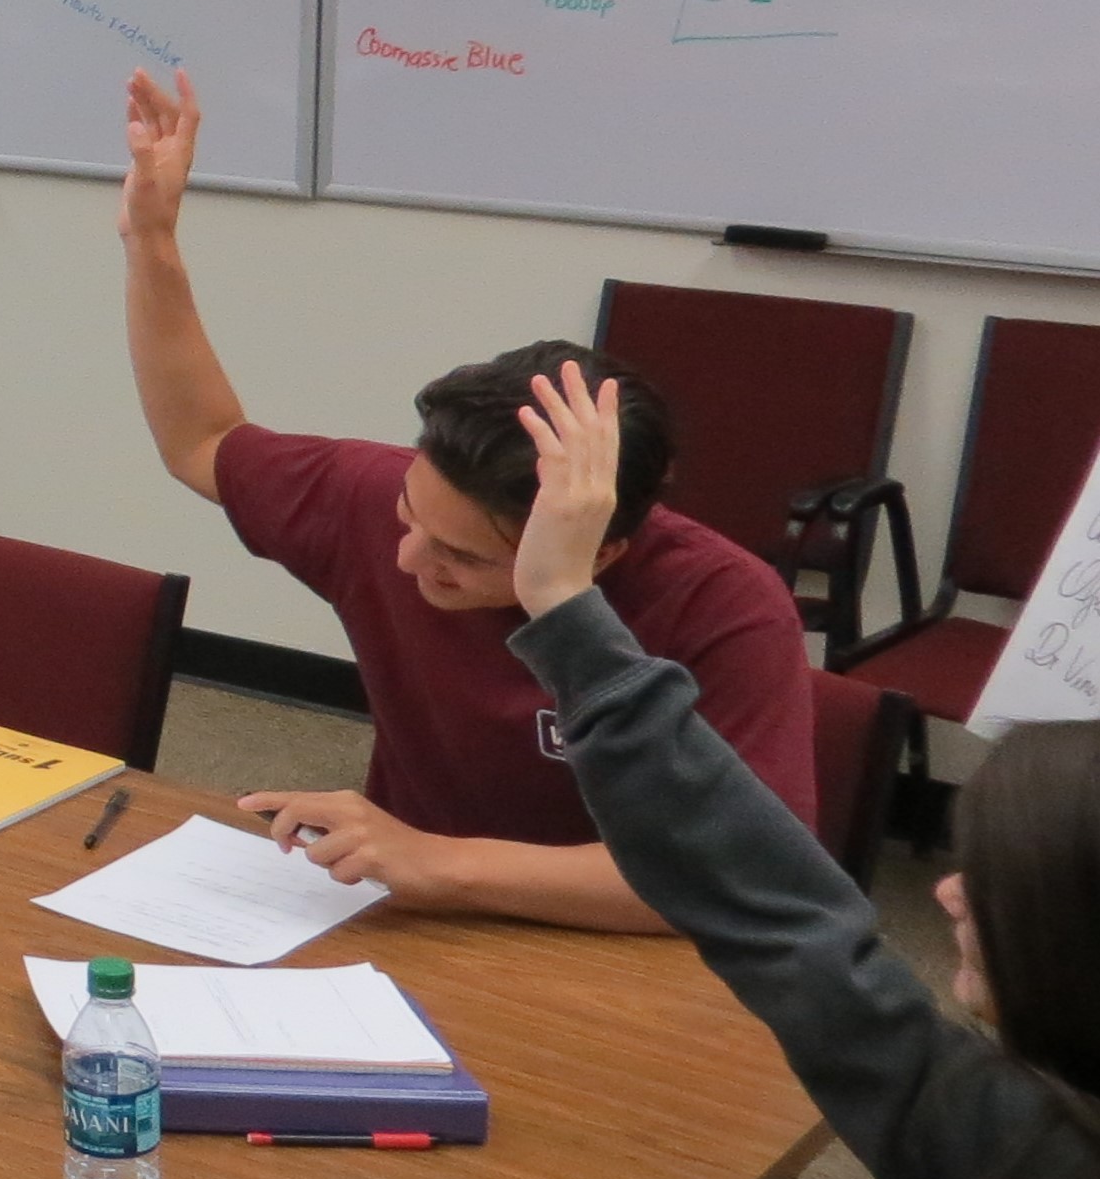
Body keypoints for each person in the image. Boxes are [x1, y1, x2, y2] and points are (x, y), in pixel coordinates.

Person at [476, 362, 1100, 1179]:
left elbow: (775, 907)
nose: (940, 892)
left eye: (981, 880)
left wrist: (563, 607)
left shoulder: (1033, 1174)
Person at [115, 69, 811, 932]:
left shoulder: (723, 604)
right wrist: (150, 239)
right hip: (408, 920)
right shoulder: (380, 508)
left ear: (596, 552)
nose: (407, 559)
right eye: (412, 518)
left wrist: (440, 862)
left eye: (461, 557)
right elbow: (200, 442)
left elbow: (741, 878)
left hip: (621, 954)